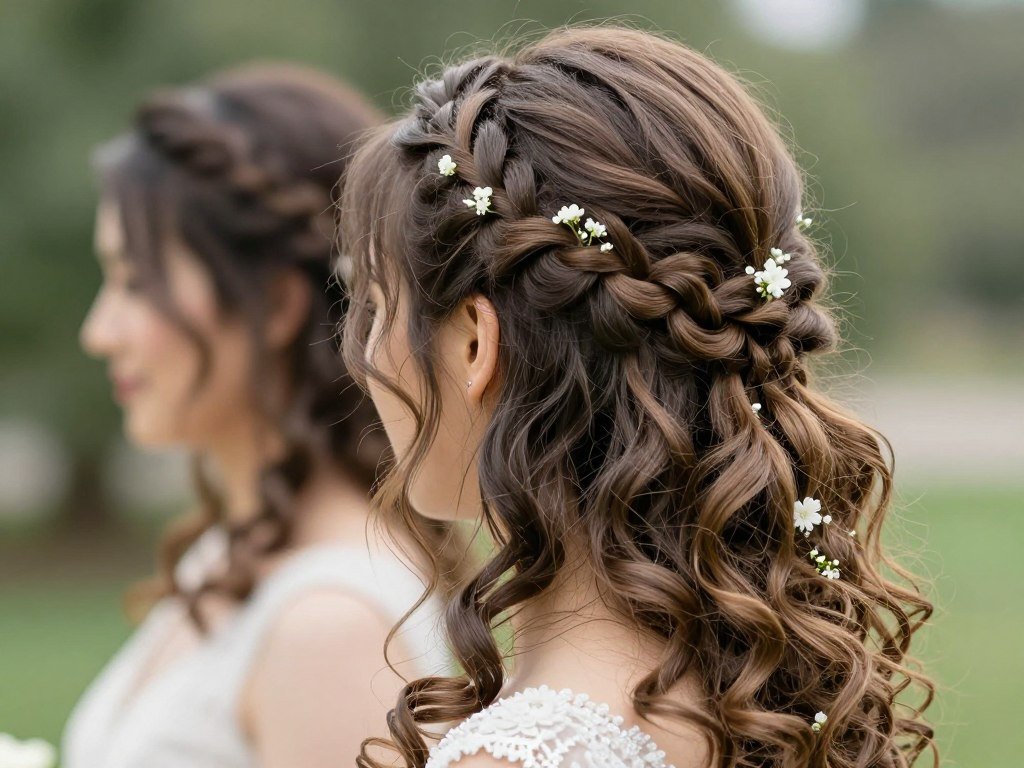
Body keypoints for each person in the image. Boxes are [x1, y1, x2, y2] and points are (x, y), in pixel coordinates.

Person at [339, 26, 936, 768]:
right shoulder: (762, 693)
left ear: (473, 342)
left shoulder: (524, 758)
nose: (364, 358)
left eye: (372, 306)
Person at [67, 63, 447, 768]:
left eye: (134, 282)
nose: (99, 331)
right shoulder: (234, 548)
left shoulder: (331, 626)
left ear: (274, 305)